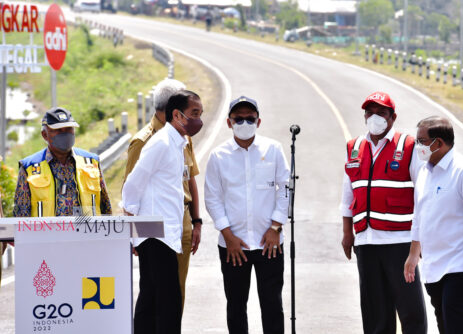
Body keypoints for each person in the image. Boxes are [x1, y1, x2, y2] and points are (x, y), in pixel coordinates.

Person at [340, 91, 427, 334]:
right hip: (366, 242)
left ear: (393, 117)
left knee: (411, 312)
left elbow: (423, 198)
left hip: (399, 243)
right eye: (370, 112)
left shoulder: (408, 146)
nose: (374, 117)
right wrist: (348, 233)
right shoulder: (354, 147)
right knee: (375, 313)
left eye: (381, 113)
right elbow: (348, 195)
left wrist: (417, 246)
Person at [205, 96, 290, 334]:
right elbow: (212, 198)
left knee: (272, 305)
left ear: (259, 121)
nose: (244, 123)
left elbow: (285, 189)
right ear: (229, 122)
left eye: (249, 119)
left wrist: (275, 228)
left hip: (269, 243)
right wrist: (228, 236)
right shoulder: (218, 156)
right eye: (238, 119)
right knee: (236, 305)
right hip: (234, 245)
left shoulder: (273, 149)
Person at [122, 90, 204, 334]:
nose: (199, 120)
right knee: (168, 301)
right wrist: (133, 228)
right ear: (177, 115)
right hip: (155, 234)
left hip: (166, 234)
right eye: (194, 113)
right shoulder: (161, 143)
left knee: (151, 298)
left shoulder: (178, 143)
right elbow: (133, 183)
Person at [404, 116, 463, 334]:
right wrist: (413, 254)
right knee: (444, 325)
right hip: (434, 265)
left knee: (456, 326)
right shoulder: (424, 172)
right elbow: (419, 216)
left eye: (422, 141)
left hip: (460, 265)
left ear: (439, 143)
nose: (417, 146)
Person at [13, 107, 112, 218]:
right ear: (45, 135)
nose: (65, 134)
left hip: (87, 233)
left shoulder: (91, 162)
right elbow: (21, 214)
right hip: (46, 234)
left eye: (69, 129)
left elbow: (106, 207)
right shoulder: (29, 167)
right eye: (58, 130)